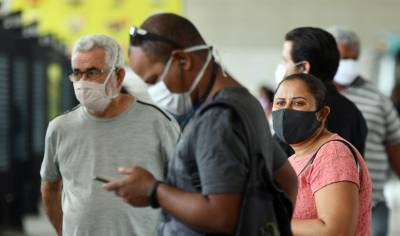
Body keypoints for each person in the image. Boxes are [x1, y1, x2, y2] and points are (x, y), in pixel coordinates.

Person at [104, 13, 298, 235]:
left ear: (183, 61)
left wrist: (153, 189)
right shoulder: (245, 101)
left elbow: (222, 216)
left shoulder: (216, 119)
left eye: (154, 80)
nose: (154, 91)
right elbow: (288, 181)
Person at [40, 34, 180, 236]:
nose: (83, 82)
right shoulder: (60, 128)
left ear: (119, 76)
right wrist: (63, 231)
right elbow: (50, 187)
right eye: (77, 73)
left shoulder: (159, 123)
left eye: (93, 72)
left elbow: (182, 190)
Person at [272, 73, 372, 235]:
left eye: (298, 103)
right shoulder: (293, 160)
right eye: (280, 103)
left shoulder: (333, 154)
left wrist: (269, 222)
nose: (285, 111)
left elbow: (336, 231)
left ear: (322, 113)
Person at [329, 27, 400, 236]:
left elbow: (395, 145)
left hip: (372, 201)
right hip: (325, 202)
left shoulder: (377, 98)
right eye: (343, 58)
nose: (349, 64)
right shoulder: (314, 95)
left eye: (354, 58)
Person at [274, 27, 367, 157]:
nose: (282, 67)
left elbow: (276, 169)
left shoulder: (298, 114)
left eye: (285, 61)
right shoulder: (353, 112)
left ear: (303, 67)